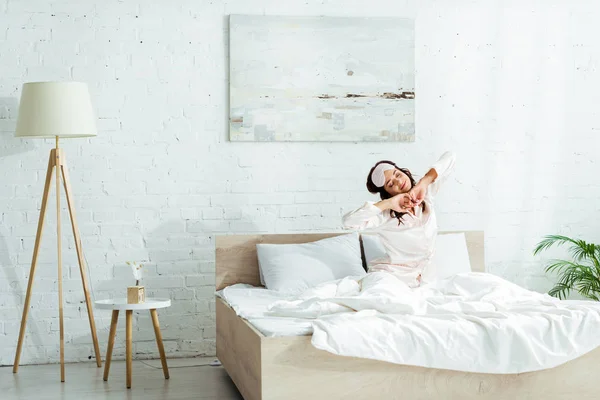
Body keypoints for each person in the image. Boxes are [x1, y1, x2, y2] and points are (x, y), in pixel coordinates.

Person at [342, 151, 456, 287]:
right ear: (388, 193)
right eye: (391, 184)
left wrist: (424, 183)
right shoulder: (384, 216)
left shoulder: (426, 194)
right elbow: (348, 222)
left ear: (404, 172)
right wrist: (388, 203)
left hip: (425, 279)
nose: (398, 181)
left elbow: (451, 157)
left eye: (397, 174)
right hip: (392, 277)